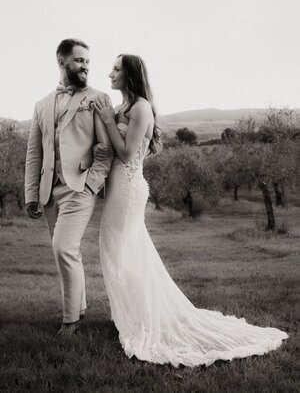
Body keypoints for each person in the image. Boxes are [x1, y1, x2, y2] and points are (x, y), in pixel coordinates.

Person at [93, 54, 288, 367]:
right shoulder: (119, 109)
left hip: (129, 189)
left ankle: (142, 319)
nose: (110, 73)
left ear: (130, 74)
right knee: (119, 252)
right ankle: (131, 314)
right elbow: (111, 146)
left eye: (116, 68)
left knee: (123, 252)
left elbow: (129, 153)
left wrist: (106, 122)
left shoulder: (141, 107)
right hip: (116, 188)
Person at [25, 39, 113, 335]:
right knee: (63, 251)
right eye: (79, 61)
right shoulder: (41, 105)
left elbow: (106, 148)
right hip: (49, 191)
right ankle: (81, 307)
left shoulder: (98, 98)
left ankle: (70, 321)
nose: (85, 66)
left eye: (87, 61)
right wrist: (31, 195)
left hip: (79, 188)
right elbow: (34, 153)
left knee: (64, 248)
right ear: (62, 62)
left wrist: (91, 184)